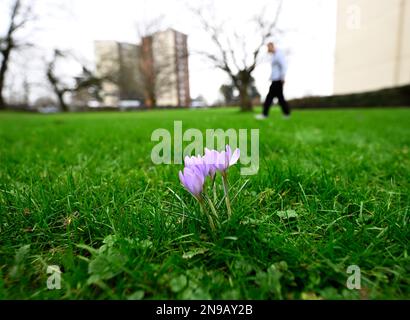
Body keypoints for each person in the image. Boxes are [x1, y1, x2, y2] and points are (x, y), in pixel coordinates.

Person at [256, 42, 291, 120]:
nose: (267, 49)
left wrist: (282, 78)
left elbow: (284, 66)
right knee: (280, 98)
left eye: (268, 47)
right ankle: (287, 114)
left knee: (269, 97)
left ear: (272, 46)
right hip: (275, 80)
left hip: (278, 80)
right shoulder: (274, 55)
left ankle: (265, 114)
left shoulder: (279, 55)